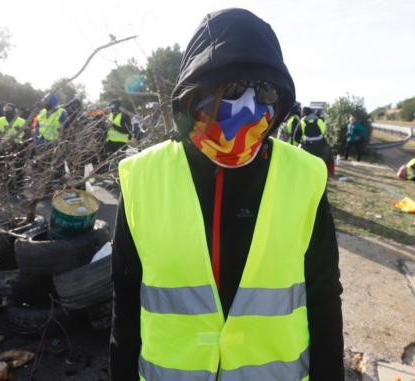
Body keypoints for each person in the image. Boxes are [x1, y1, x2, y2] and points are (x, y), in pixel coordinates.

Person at [110, 8, 344, 380]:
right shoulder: (141, 177)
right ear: (195, 92)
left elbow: (324, 295)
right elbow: (125, 297)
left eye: (264, 89)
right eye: (232, 88)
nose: (249, 107)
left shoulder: (305, 176)